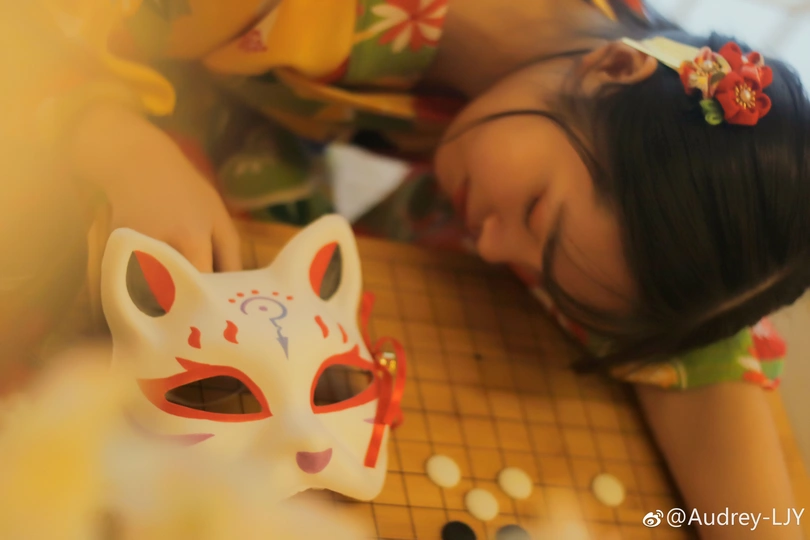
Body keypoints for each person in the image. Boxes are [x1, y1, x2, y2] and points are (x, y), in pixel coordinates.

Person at [3, 1, 808, 537]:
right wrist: (119, 143)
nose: (491, 247)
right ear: (612, 70)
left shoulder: (612, 82)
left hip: (253, 129)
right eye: (536, 214)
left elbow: (703, 352)